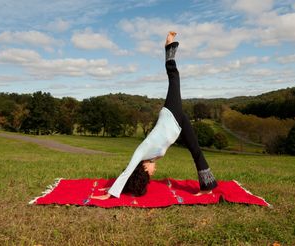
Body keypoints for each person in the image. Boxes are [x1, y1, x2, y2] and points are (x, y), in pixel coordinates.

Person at [92, 32, 217, 200]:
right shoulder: (150, 158)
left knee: (174, 78)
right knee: (196, 150)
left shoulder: (142, 151)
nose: (154, 172)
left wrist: (110, 193)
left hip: (171, 114)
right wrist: (114, 187)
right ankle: (207, 186)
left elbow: (128, 169)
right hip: (178, 125)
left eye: (150, 174)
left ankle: (168, 47)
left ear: (143, 168)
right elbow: (129, 174)